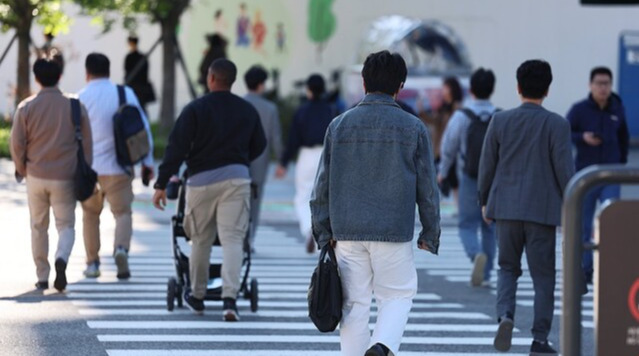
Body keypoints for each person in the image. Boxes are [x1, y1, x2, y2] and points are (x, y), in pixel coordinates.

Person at [311, 50, 440, 356]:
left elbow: (321, 186)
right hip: (393, 230)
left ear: (364, 82)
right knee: (397, 294)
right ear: (400, 86)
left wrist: (322, 231)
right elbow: (428, 189)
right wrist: (429, 233)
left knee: (353, 304)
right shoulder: (413, 127)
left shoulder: (339, 126)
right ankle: (382, 346)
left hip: (346, 231)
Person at [152, 58, 266, 321]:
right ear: (233, 80)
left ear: (211, 78)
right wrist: (240, 159)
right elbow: (259, 145)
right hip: (237, 180)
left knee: (200, 239)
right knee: (233, 240)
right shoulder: (247, 110)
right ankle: (229, 300)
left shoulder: (195, 109)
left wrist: (161, 184)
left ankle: (198, 295)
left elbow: (176, 148)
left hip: (200, 181)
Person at [478, 60, 574, 355]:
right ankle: (540, 339)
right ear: (547, 89)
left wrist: (484, 201)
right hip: (542, 212)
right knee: (543, 278)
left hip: (505, 208)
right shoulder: (557, 124)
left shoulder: (500, 121)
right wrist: (571, 208)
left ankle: (506, 316)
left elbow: (487, 166)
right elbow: (565, 172)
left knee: (507, 268)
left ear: (518, 87)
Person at [10, 58, 92, 291]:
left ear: (36, 78)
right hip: (65, 176)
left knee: (38, 226)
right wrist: (85, 170)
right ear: (60, 76)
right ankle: (62, 258)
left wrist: (23, 168)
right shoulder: (75, 106)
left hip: (35, 175)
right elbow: (87, 144)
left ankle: (42, 275)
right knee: (66, 225)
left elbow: (16, 144)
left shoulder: (26, 107)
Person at [78, 53, 155, 280]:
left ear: (87, 72)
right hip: (119, 167)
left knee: (90, 215)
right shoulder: (124, 93)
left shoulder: (80, 98)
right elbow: (143, 130)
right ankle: (121, 249)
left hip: (89, 170)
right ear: (109, 71)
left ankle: (92, 263)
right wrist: (147, 163)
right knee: (122, 213)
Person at [566, 66, 629, 285]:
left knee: (610, 219)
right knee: (583, 226)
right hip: (586, 176)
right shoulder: (579, 109)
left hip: (611, 175)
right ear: (590, 85)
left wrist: (621, 166)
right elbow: (566, 132)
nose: (603, 88)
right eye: (599, 83)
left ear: (611, 86)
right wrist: (583, 137)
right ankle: (586, 269)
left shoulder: (618, 108)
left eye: (606, 84)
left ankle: (608, 268)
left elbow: (624, 138)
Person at [438, 68, 497, 287]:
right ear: (492, 89)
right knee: (490, 226)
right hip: (494, 180)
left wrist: (443, 172)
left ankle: (475, 254)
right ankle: (488, 273)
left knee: (466, 224)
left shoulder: (462, 116)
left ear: (471, 90)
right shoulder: (499, 115)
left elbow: (448, 147)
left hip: (470, 176)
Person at [276, 73, 335, 254]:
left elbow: (293, 139)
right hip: (327, 154)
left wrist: (284, 163)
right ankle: (321, 233)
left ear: (308, 89)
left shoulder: (302, 111)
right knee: (326, 196)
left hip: (306, 155)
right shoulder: (331, 111)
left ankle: (308, 229)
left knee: (303, 196)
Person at [243, 65, 283, 248]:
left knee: (237, 199)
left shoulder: (239, 103)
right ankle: (250, 239)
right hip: (260, 161)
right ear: (260, 85)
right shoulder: (270, 108)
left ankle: (239, 235)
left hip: (238, 160)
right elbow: (276, 137)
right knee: (255, 201)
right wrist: (282, 160)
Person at [420, 77, 462, 199]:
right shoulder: (442, 108)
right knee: (440, 179)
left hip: (451, 149)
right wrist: (422, 111)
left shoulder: (456, 108)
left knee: (452, 180)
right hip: (439, 149)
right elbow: (433, 121)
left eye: (446, 87)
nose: (443, 90)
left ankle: (456, 206)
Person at [124, 35, 155, 114]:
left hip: (135, 87)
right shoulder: (141, 57)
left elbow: (127, 72)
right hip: (140, 86)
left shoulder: (129, 57)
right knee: (141, 108)